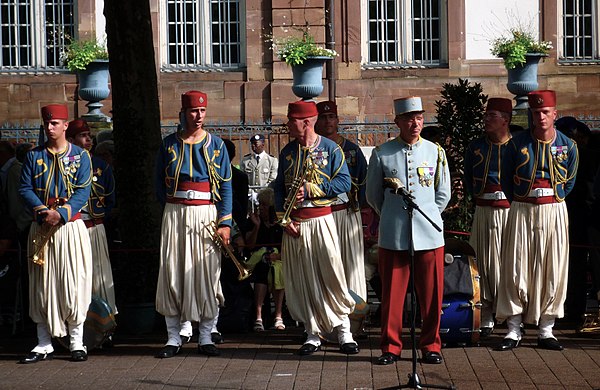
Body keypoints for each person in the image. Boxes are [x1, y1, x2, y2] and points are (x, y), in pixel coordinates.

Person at [366, 96, 451, 365]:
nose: (415, 123)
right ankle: (390, 347)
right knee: (392, 295)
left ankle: (431, 345)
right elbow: (373, 196)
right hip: (394, 234)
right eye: (409, 118)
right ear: (398, 122)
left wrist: (428, 215)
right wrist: (392, 217)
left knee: (432, 294)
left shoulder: (435, 152)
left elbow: (443, 193)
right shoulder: (382, 153)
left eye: (419, 118)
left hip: (429, 232)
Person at [272, 100, 358, 356]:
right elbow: (278, 188)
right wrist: (283, 220)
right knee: (305, 279)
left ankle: (344, 332)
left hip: (321, 220)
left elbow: (344, 182)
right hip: (295, 224)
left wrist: (312, 189)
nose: (288, 124)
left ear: (306, 122)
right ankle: (312, 333)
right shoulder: (287, 152)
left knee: (331, 276)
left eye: (292, 120)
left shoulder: (331, 149)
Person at [495, 90, 578, 351]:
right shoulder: (516, 144)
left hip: (554, 208)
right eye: (536, 113)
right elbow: (506, 178)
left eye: (545, 112)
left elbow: (571, 180)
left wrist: (556, 197)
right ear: (531, 115)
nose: (540, 117)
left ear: (555, 114)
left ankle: (546, 330)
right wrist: (519, 199)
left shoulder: (569, 146)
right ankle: (513, 328)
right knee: (516, 267)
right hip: (522, 207)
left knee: (552, 268)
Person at [154, 90, 232, 358]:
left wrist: (225, 224)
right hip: (175, 211)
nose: (198, 116)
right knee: (173, 273)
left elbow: (226, 186)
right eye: (193, 111)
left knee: (207, 275)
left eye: (202, 111)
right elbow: (157, 185)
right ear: (183, 113)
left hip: (205, 213)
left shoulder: (217, 145)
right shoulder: (168, 145)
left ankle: (206, 335)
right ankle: (174, 337)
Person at [18, 104, 93, 363]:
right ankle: (43, 342)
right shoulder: (33, 156)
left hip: (69, 227)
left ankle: (76, 342)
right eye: (47, 124)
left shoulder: (81, 156)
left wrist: (61, 214)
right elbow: (25, 188)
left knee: (72, 284)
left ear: (65, 126)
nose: (49, 128)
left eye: (54, 123)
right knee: (42, 285)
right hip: (41, 225)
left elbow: (83, 190)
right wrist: (42, 211)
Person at [463, 97, 513, 337]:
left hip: (510, 213)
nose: (486, 120)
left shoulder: (518, 145)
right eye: (485, 115)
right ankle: (486, 314)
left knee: (510, 264)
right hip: (484, 211)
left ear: (506, 120)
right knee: (482, 263)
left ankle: (513, 314)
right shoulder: (476, 147)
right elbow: (467, 178)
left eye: (491, 116)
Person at [315, 100, 368, 303]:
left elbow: (364, 182)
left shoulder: (352, 150)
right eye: (323, 117)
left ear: (337, 120)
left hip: (347, 212)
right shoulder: (312, 149)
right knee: (324, 266)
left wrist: (362, 211)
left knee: (351, 266)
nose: (327, 121)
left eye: (331, 117)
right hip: (321, 213)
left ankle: (356, 316)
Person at [66, 119, 118, 317]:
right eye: (83, 136)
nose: (89, 139)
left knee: (100, 277)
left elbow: (110, 197)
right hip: (71, 226)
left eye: (89, 135)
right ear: (71, 139)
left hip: (94, 227)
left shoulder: (100, 166)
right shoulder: (65, 164)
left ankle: (105, 323)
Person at [244, 187, 285, 331]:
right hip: (257, 261)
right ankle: (258, 316)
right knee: (263, 269)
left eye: (264, 205)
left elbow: (286, 249)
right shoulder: (254, 221)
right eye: (259, 204)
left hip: (277, 260)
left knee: (277, 270)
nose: (261, 208)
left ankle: (278, 315)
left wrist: (277, 256)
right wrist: (256, 227)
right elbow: (249, 246)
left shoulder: (281, 224)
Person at [240, 134, 278, 207]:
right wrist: (252, 193)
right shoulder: (246, 161)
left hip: (267, 197)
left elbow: (273, 180)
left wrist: (261, 194)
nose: (253, 146)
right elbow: (242, 180)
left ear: (263, 145)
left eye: (255, 144)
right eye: (252, 144)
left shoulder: (272, 160)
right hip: (250, 197)